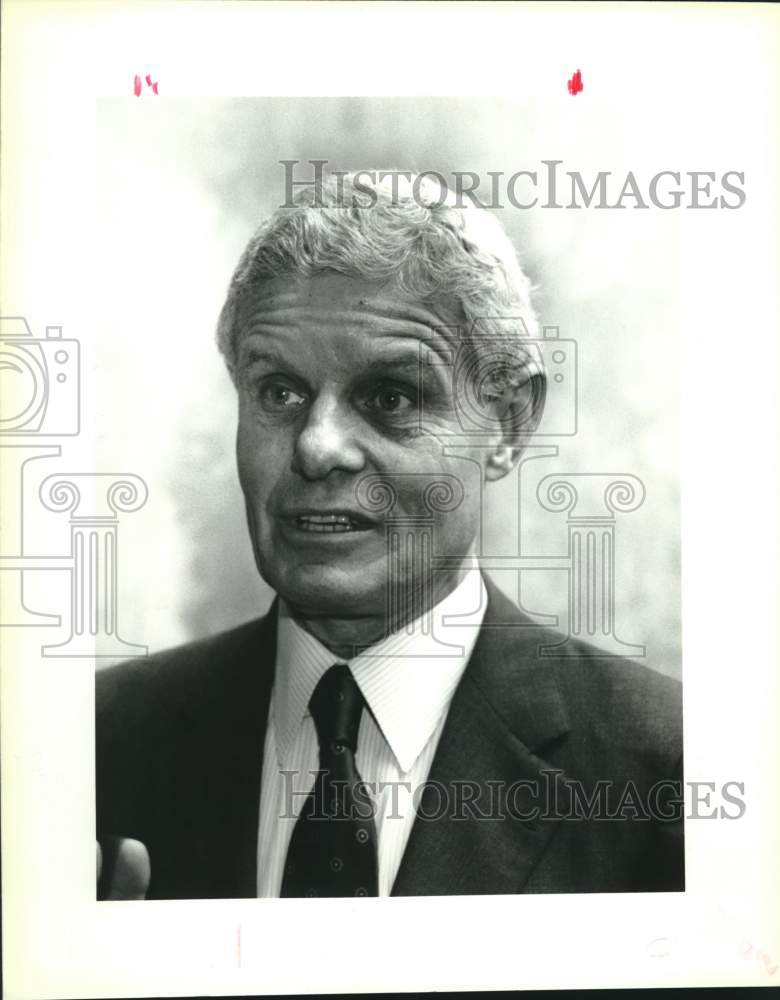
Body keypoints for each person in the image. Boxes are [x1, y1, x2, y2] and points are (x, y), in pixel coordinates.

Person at [96, 171, 684, 900]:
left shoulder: (666, 774)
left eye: (390, 397)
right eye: (279, 392)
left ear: (508, 424)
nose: (317, 447)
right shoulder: (92, 748)